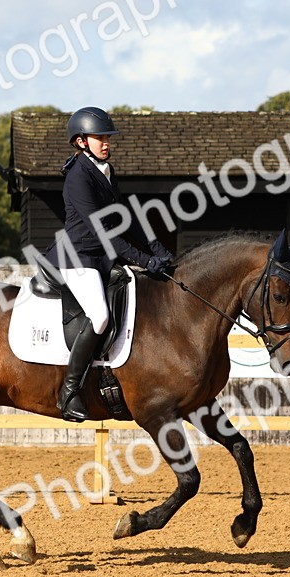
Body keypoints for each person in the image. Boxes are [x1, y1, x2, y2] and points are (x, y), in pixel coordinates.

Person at [43, 106, 175, 421]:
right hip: (79, 257)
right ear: (80, 142)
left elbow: (124, 217)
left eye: (107, 137)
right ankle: (69, 391)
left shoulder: (105, 171)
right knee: (100, 317)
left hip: (101, 257)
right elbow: (105, 234)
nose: (106, 142)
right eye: (99, 136)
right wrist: (144, 260)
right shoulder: (78, 178)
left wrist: (157, 248)